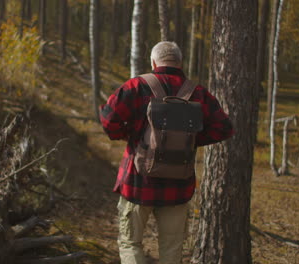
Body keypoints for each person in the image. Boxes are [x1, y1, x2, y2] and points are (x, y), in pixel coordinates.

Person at [99, 41, 234, 264]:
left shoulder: (136, 86)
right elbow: (224, 128)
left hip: (137, 181)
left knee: (131, 243)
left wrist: (128, 135)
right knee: (171, 250)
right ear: (180, 63)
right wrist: (189, 140)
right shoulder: (198, 93)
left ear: (153, 62)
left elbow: (108, 119)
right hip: (178, 186)